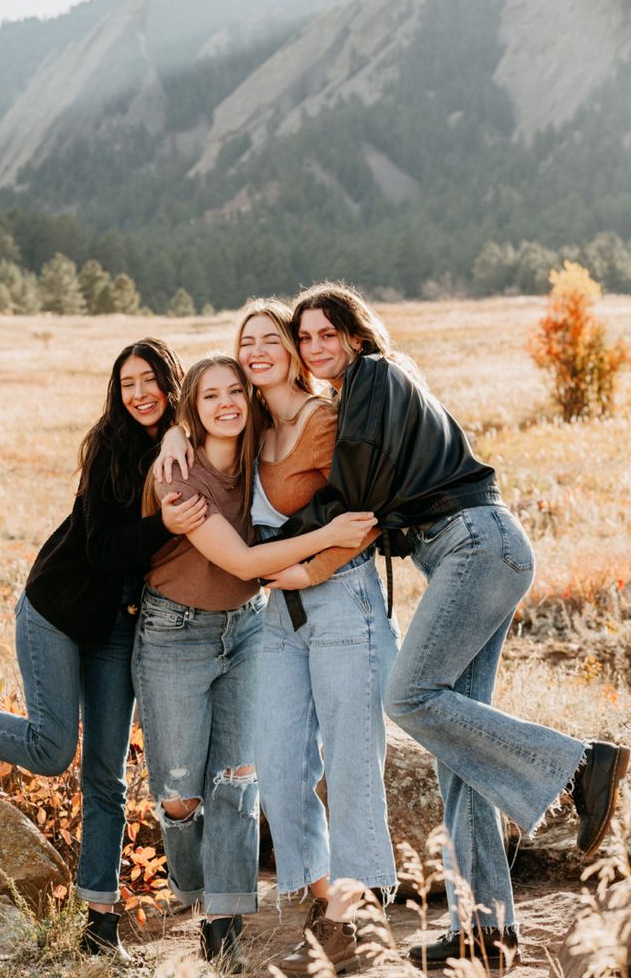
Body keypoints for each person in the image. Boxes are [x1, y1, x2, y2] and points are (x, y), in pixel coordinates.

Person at [266, 282, 630, 971]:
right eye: (305, 338)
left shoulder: (373, 376)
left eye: (326, 334)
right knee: (455, 748)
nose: (315, 349)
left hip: (473, 546)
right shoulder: (373, 387)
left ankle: (579, 765)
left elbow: (359, 486)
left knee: (408, 697)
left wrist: (281, 548)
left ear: (355, 335)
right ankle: (486, 929)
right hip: (471, 550)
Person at [0, 338, 207, 962]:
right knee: (52, 747)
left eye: (151, 381)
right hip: (58, 612)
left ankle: (99, 928)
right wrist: (162, 527)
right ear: (116, 394)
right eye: (127, 384)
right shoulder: (107, 448)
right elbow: (101, 550)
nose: (140, 393)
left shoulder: (184, 446)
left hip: (118, 628)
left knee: (107, 779)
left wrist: (177, 437)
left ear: (172, 386)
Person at [136, 354, 377, 973]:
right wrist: (330, 536)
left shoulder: (256, 460)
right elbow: (245, 562)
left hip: (246, 630)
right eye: (209, 395)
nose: (226, 404)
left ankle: (224, 923)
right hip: (174, 634)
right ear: (193, 407)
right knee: (181, 796)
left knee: (238, 784)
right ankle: (193, 892)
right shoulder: (177, 471)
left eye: (234, 393)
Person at [234, 299, 400, 976]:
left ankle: (350, 918)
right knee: (276, 764)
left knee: (353, 762)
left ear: (297, 352)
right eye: (248, 341)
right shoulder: (249, 430)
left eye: (273, 339)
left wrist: (304, 570)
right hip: (280, 614)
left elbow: (364, 516)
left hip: (340, 601)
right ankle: (324, 891)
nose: (260, 350)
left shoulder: (324, 419)